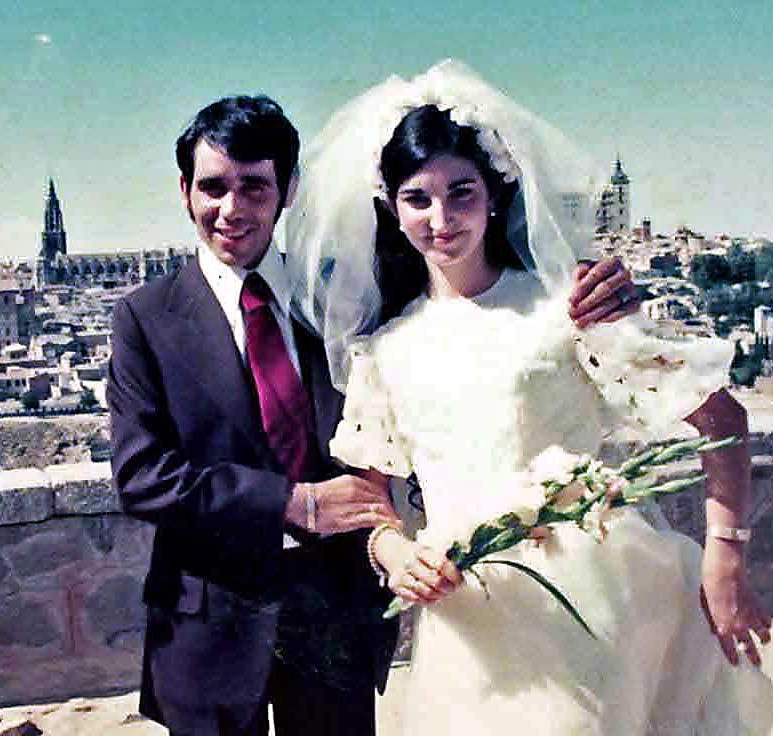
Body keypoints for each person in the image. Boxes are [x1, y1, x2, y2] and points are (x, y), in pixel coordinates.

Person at [107, 94, 636, 736]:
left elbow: (464, 294)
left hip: (336, 613)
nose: (232, 208)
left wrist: (604, 293)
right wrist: (294, 503)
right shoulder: (144, 318)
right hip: (212, 622)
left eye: (254, 186)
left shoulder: (345, 297)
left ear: (288, 190)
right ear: (185, 191)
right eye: (213, 186)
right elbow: (142, 476)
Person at [286, 61, 773, 734]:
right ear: (392, 211)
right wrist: (396, 555)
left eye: (461, 193)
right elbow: (369, 498)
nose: (441, 218)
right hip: (467, 630)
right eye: (418, 199)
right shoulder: (386, 352)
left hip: (599, 609)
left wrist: (725, 559)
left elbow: (721, 417)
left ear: (494, 194)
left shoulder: (569, 309)